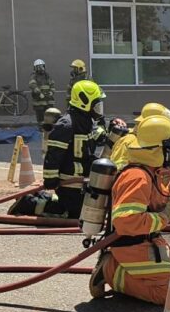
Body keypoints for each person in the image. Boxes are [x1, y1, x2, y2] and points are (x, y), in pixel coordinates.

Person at [88, 115, 170, 303]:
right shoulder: (137, 177)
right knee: (169, 293)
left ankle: (118, 267)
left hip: (146, 239)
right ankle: (110, 270)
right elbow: (126, 222)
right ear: (159, 150)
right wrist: (163, 218)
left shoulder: (152, 172)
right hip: (132, 244)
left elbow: (161, 204)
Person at [8, 80, 107, 218]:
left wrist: (107, 129)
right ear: (84, 102)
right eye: (96, 105)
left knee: (88, 209)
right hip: (69, 183)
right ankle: (28, 203)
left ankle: (42, 197)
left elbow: (98, 137)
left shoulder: (87, 122)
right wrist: (50, 179)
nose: (99, 108)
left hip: (81, 181)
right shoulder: (66, 125)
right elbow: (53, 155)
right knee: (75, 214)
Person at [28, 59, 55, 124]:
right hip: (39, 101)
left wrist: (51, 92)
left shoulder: (47, 75)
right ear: (35, 68)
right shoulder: (34, 76)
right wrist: (39, 93)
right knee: (40, 116)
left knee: (49, 115)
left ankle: (49, 126)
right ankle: (41, 126)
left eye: (42, 66)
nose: (41, 68)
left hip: (48, 100)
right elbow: (32, 84)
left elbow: (52, 84)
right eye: (39, 67)